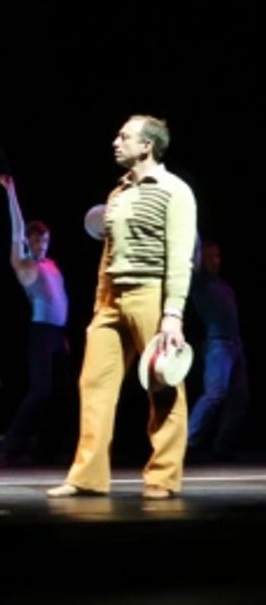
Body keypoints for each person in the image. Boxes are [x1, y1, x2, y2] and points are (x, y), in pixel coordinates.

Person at [48, 114, 197, 500]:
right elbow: (108, 255)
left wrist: (173, 314)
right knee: (94, 384)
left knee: (163, 384)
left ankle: (163, 478)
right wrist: (99, 305)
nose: (116, 142)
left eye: (125, 136)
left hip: (151, 294)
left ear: (147, 145)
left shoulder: (174, 190)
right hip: (112, 298)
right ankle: (88, 476)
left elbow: (181, 257)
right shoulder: (118, 193)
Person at [0, 173, 72, 467]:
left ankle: (48, 448)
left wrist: (62, 335)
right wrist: (11, 192)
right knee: (40, 391)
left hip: (57, 335)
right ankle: (9, 447)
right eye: (37, 240)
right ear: (29, 241)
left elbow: (60, 300)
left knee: (63, 393)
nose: (42, 245)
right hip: (39, 334)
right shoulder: (25, 266)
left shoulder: (51, 264)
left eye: (45, 240)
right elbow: (16, 231)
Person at [187, 240, 250, 461]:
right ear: (202, 259)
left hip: (235, 345)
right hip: (218, 345)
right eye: (211, 256)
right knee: (214, 394)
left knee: (240, 398)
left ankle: (222, 445)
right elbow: (192, 260)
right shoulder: (199, 282)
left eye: (218, 256)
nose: (216, 260)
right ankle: (188, 441)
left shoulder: (222, 285)